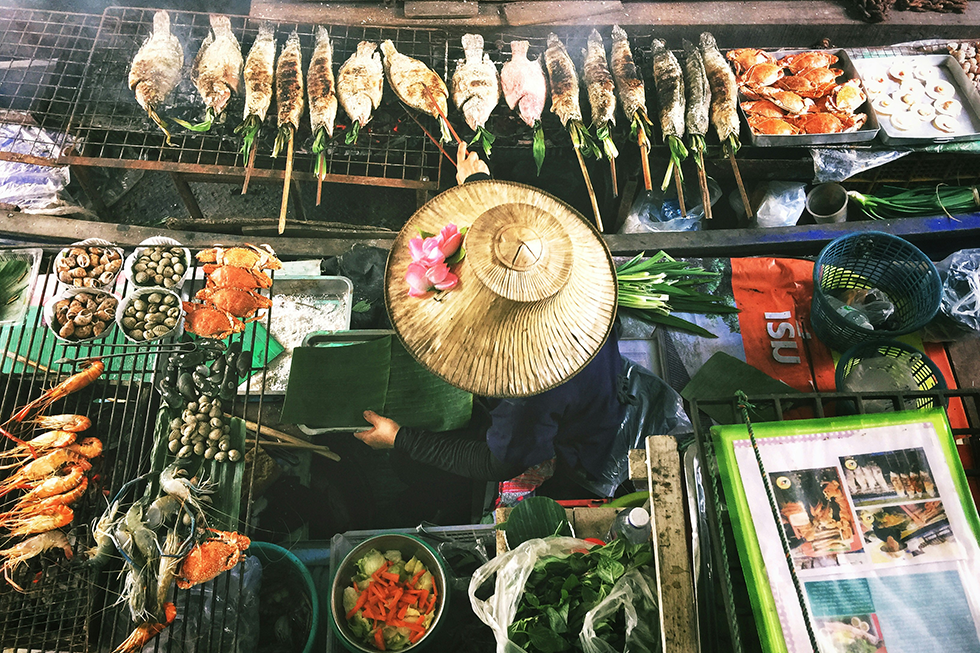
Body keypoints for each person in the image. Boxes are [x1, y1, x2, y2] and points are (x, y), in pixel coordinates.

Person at [354, 143, 626, 522]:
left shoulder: (525, 389)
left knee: (415, 470)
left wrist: (400, 438)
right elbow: (512, 247)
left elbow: (495, 463)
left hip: (585, 437)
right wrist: (478, 184)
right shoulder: (559, 257)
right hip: (591, 376)